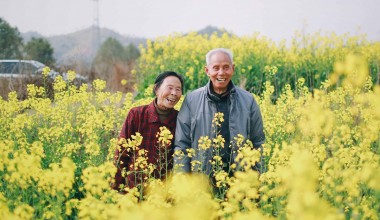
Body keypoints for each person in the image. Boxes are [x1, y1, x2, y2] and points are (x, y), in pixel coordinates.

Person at [174, 48, 265, 177]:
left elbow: (258, 143)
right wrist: (183, 181)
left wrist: (255, 180)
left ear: (233, 69)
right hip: (202, 180)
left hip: (239, 180)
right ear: (207, 70)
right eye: (216, 68)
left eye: (226, 67)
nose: (221, 73)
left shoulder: (248, 100)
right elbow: (182, 145)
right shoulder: (191, 100)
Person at [112, 71, 184, 192]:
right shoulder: (136, 115)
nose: (174, 93)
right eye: (170, 88)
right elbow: (121, 153)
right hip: (134, 190)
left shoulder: (181, 120)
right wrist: (115, 188)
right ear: (156, 89)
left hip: (163, 195)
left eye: (178, 89)